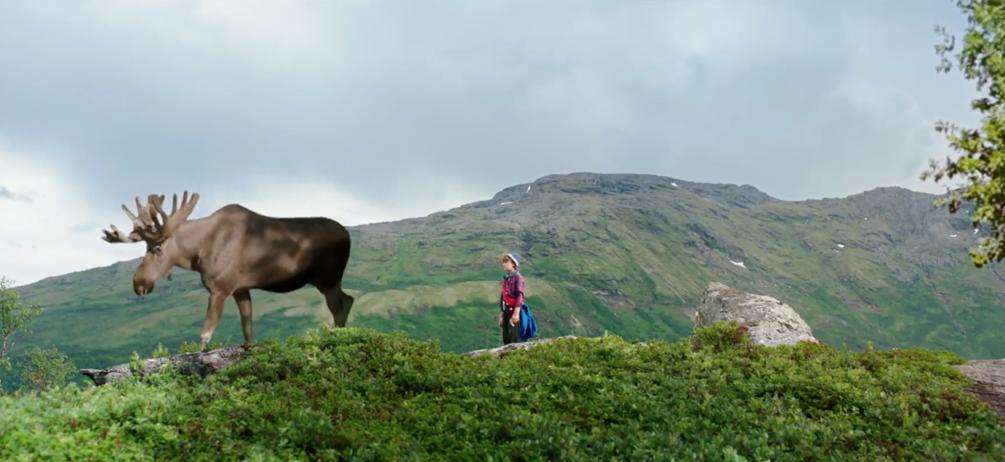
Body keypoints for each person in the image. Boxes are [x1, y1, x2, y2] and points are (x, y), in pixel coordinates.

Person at [499, 252, 525, 344]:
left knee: (514, 338)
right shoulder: (506, 278)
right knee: (506, 338)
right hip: (506, 311)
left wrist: (516, 313)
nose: (504, 264)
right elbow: (503, 297)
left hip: (514, 311)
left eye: (506, 261)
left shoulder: (518, 278)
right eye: (503, 262)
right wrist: (502, 314)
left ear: (513, 263)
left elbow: (520, 295)